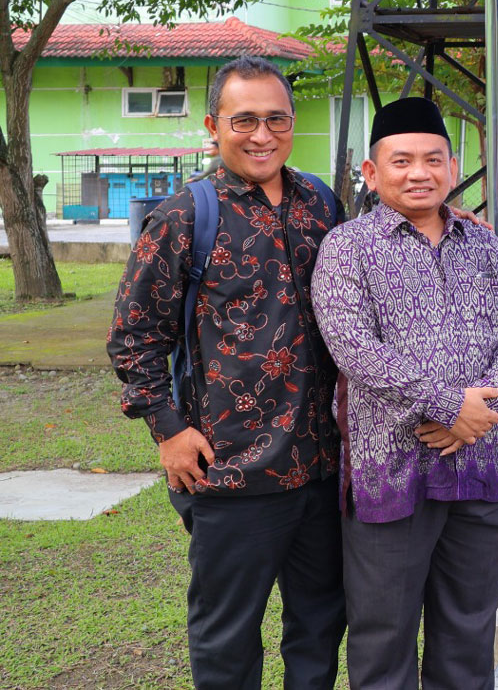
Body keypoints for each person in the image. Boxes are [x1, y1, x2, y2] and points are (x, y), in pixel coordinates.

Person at [107, 56, 346, 689]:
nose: (262, 135)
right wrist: (168, 431)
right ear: (215, 125)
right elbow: (133, 337)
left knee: (320, 627)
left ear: (292, 124)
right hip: (233, 471)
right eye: (244, 120)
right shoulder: (186, 217)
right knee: (227, 639)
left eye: (276, 119)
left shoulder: (321, 203)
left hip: (325, 465)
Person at [311, 97, 498, 689]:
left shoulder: (484, 244)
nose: (419, 173)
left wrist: (484, 412)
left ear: (452, 164)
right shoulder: (347, 248)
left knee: (467, 629)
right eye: (402, 160)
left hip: (480, 463)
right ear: (372, 171)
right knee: (383, 634)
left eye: (433, 160)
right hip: (393, 467)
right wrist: (449, 406)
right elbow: (354, 348)